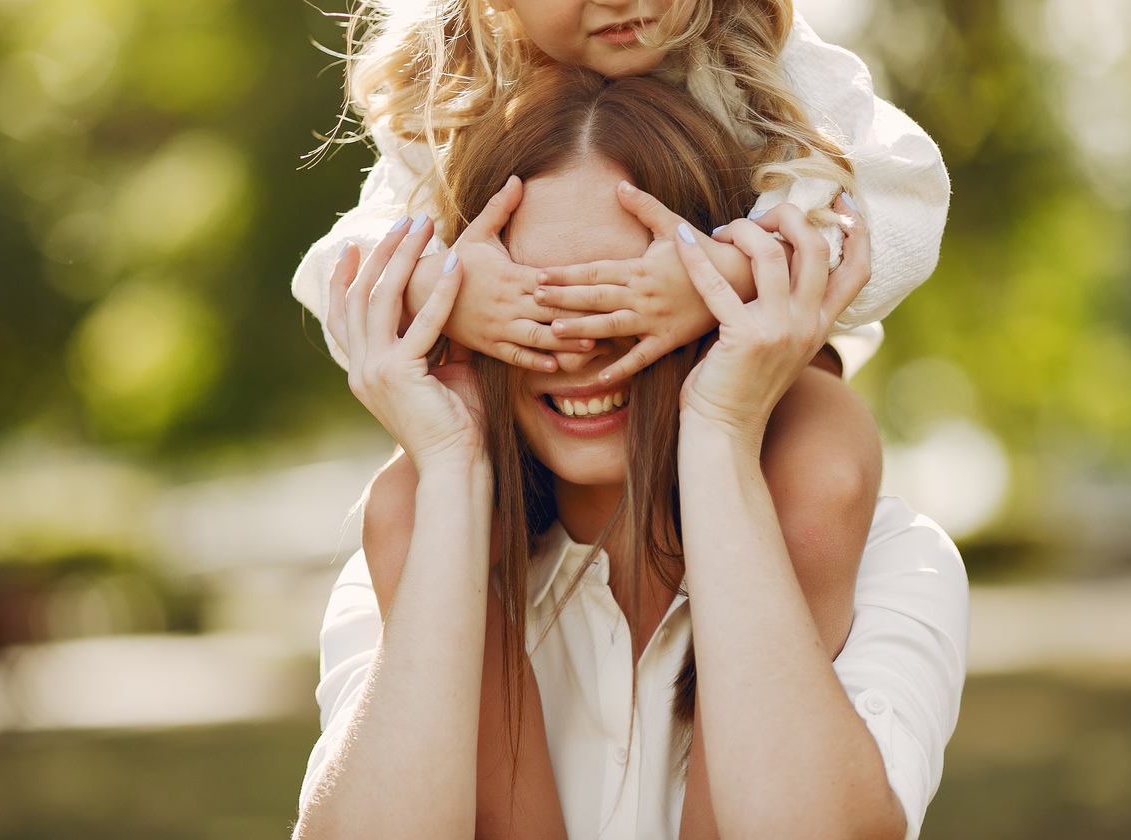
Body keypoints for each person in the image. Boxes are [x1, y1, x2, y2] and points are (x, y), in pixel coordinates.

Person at [293, 67, 967, 840]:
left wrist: (719, 429)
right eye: (535, 306)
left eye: (622, 303)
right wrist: (450, 465)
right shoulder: (411, 561)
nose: (579, 348)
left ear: (718, 309)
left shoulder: (891, 562)